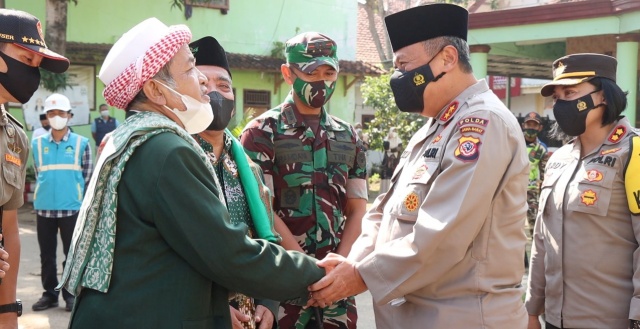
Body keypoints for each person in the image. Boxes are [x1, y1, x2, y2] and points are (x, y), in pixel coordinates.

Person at [58, 18, 325, 329]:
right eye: (190, 69)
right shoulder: (168, 151)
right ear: (156, 90)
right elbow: (229, 254)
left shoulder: (133, 138)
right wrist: (319, 275)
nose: (202, 82)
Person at [308, 4, 530, 328]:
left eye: (404, 65)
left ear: (447, 59)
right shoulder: (433, 127)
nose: (398, 77)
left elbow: (443, 232)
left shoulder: (483, 124)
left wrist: (358, 276)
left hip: (464, 317)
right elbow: (382, 214)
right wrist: (351, 264)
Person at [240, 31, 368, 329]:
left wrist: (339, 267)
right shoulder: (261, 133)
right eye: (311, 73)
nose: (321, 81)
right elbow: (262, 211)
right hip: (283, 287)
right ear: (288, 73)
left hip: (338, 289)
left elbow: (357, 209)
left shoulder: (349, 136)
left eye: (329, 72)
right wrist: (307, 269)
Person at [190, 35, 304, 329]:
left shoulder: (248, 168)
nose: (215, 93)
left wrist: (268, 302)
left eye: (223, 86)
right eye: (203, 84)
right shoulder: (174, 160)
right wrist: (212, 307)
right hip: (195, 313)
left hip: (251, 315)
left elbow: (268, 240)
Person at [525, 53, 640, 329]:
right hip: (554, 319)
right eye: (557, 96)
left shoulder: (633, 152)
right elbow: (543, 240)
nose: (561, 103)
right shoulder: (558, 160)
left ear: (603, 96)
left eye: (571, 93)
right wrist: (531, 310)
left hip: (611, 321)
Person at [0, 8, 69, 326]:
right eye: (27, 61)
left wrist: (7, 313)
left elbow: (10, 230)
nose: (33, 75)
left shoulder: (15, 137)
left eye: (38, 66)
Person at [31, 93, 92, 312]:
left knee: (71, 255)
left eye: (61, 113)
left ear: (69, 115)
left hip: (72, 209)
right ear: (46, 116)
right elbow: (39, 173)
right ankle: (49, 295)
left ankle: (69, 295)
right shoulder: (37, 144)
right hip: (44, 208)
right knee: (46, 256)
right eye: (52, 113)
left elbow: (87, 177)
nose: (56, 116)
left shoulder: (81, 144)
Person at [522, 112, 548, 236]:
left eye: (534, 125)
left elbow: (544, 174)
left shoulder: (541, 149)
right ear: (523, 125)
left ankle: (533, 253)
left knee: (534, 226)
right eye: (529, 124)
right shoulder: (514, 142)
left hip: (531, 191)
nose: (531, 128)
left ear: (540, 128)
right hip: (512, 189)